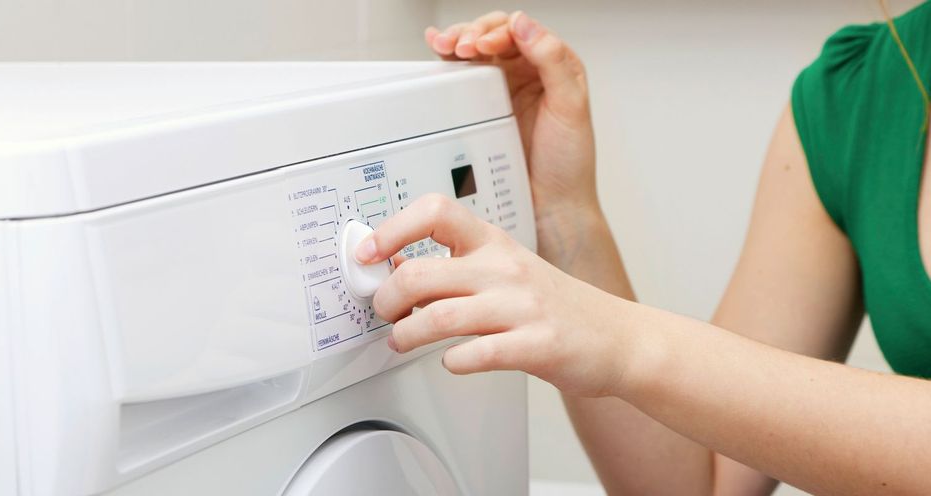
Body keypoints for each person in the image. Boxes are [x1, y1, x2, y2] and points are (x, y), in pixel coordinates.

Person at [354, 5, 931, 495]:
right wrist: (562, 215)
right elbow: (704, 481)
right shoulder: (857, 91)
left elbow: (637, 354)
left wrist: (627, 342)